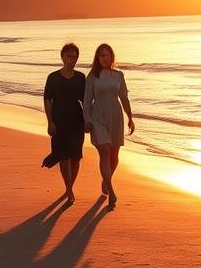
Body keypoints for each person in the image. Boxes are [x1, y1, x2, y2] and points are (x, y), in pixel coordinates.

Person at [83, 42, 134, 207]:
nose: (104, 58)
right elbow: (87, 100)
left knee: (114, 158)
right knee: (104, 151)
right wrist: (87, 120)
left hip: (115, 116)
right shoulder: (93, 76)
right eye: (101, 55)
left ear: (112, 56)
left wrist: (130, 117)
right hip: (98, 117)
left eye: (106, 55)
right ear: (97, 58)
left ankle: (106, 181)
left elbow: (124, 97)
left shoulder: (118, 75)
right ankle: (111, 192)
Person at [42, 42, 86, 203]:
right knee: (63, 156)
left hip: (77, 121)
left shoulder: (81, 77)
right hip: (59, 121)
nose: (72, 60)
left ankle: (69, 188)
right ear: (62, 57)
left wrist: (89, 120)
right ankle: (68, 189)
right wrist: (50, 122)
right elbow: (47, 100)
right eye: (68, 56)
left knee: (75, 156)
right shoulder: (53, 77)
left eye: (75, 57)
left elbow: (86, 100)